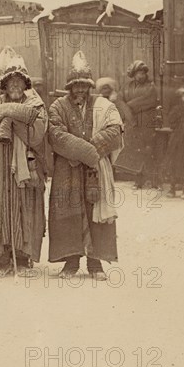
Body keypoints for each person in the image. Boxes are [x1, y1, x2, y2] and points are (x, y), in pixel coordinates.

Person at [48, 51, 123, 280]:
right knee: (67, 213)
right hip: (67, 171)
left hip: (95, 170)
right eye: (75, 85)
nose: (80, 90)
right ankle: (71, 262)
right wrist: (86, 152)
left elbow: (115, 131)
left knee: (95, 214)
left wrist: (90, 151)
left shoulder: (102, 105)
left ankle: (95, 263)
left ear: (90, 86)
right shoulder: (58, 106)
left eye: (84, 85)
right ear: (69, 86)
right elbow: (56, 135)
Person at [0, 57, 47, 278]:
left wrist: (7, 114)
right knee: (0, 203)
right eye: (11, 81)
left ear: (26, 83)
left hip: (27, 161)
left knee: (24, 205)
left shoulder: (35, 102)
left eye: (19, 81)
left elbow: (36, 133)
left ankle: (21, 255)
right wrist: (16, 115)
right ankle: (1, 257)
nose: (15, 85)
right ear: (4, 84)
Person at [116, 60, 158, 188]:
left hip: (146, 121)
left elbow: (149, 100)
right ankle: (137, 180)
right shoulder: (126, 87)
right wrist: (129, 114)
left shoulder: (151, 86)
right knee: (135, 151)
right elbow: (119, 101)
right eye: (139, 73)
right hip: (131, 123)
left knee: (148, 150)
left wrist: (129, 105)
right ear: (133, 74)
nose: (141, 76)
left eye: (143, 73)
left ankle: (151, 179)